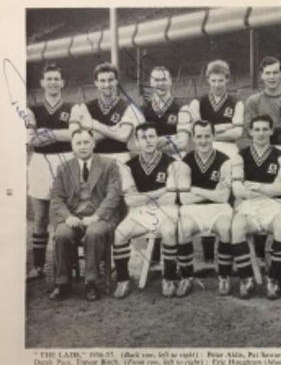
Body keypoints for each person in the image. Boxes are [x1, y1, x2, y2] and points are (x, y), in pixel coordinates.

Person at [112, 123, 185, 299]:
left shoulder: (172, 162)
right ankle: (123, 280)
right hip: (140, 212)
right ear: (137, 142)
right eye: (143, 138)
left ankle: (168, 278)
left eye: (152, 136)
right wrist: (159, 193)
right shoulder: (128, 165)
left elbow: (170, 197)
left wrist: (142, 196)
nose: (148, 141)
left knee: (168, 232)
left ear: (157, 138)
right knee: (120, 233)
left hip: (166, 210)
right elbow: (129, 199)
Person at [49, 129, 121, 301]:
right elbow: (56, 197)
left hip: (99, 216)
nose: (83, 146)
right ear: (72, 146)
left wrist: (96, 217)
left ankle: (91, 283)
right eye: (78, 143)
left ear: (94, 143)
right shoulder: (63, 168)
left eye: (86, 142)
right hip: (73, 216)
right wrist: (68, 217)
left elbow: (113, 195)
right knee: (61, 235)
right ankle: (63, 283)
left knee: (94, 233)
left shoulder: (109, 164)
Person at [26, 64, 78, 280]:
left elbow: (74, 136)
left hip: (64, 161)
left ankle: (65, 267)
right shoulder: (31, 109)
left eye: (57, 79)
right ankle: (38, 266)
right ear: (42, 83)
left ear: (62, 82)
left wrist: (46, 133)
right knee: (39, 218)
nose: (53, 82)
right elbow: (30, 139)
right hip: (39, 162)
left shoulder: (72, 107)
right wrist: (60, 134)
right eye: (49, 78)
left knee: (64, 218)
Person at [231, 115, 281, 299]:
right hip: (248, 204)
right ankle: (246, 279)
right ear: (250, 132)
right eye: (257, 129)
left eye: (265, 129)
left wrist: (254, 186)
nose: (261, 133)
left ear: (271, 130)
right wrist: (268, 189)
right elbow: (238, 189)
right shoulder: (241, 156)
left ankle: (274, 279)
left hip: (274, 205)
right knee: (236, 228)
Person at [177, 120, 233, 297]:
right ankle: (186, 277)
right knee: (183, 229)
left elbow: (224, 196)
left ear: (213, 136)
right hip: (193, 210)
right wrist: (212, 192)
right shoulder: (185, 161)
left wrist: (196, 189)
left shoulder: (225, 160)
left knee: (225, 229)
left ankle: (224, 276)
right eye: (199, 136)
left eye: (207, 136)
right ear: (193, 138)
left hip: (219, 208)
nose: (203, 141)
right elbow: (184, 198)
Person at [70, 62, 142, 165]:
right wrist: (114, 129)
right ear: (96, 82)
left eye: (110, 80)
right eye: (102, 81)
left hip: (120, 158)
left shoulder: (128, 107)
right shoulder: (85, 108)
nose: (107, 85)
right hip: (93, 160)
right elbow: (81, 140)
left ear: (116, 81)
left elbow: (123, 135)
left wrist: (95, 125)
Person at [244, 56, 281, 156]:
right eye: (267, 73)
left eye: (275, 73)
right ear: (261, 75)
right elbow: (248, 130)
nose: (271, 77)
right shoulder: (253, 101)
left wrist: (268, 136)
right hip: (260, 150)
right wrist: (280, 130)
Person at [189, 60, 244, 160]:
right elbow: (196, 132)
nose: (217, 85)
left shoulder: (236, 103)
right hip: (205, 147)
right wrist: (226, 126)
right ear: (208, 79)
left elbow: (237, 133)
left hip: (228, 146)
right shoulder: (197, 102)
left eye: (220, 80)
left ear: (227, 79)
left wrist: (207, 134)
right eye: (213, 81)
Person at [140, 66, 191, 159]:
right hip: (151, 159)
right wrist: (172, 137)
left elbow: (182, 143)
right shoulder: (143, 110)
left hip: (175, 157)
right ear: (151, 83)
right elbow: (139, 144)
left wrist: (153, 146)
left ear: (170, 81)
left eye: (164, 79)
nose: (160, 83)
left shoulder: (182, 107)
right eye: (156, 80)